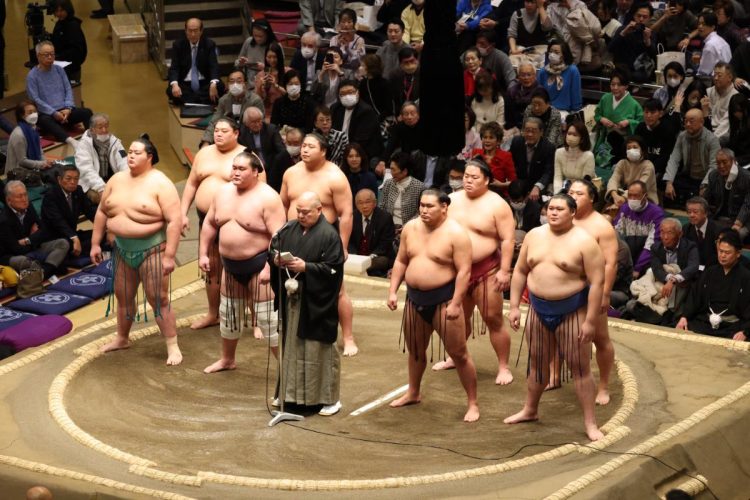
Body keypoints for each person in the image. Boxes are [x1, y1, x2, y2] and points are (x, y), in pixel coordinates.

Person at [505, 193, 605, 441]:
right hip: (538, 309)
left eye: (560, 209)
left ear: (572, 213)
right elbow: (519, 271)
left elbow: (597, 284)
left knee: (580, 367)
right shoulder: (534, 236)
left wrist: (591, 320)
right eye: (550, 208)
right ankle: (530, 409)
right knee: (537, 363)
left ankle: (590, 423)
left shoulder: (585, 242)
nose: (553, 212)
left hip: (571, 311)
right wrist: (515, 306)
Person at [387, 189, 480, 422]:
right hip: (414, 298)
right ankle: (413, 392)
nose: (424, 210)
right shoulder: (410, 228)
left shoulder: (456, 234)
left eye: (430, 206)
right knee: (416, 351)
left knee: (458, 354)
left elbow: (464, 272)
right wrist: (392, 291)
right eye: (422, 205)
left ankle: (472, 403)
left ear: (444, 207)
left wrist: (457, 303)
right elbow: (400, 260)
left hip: (445, 299)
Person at [90, 137, 182, 365]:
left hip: (152, 250)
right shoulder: (116, 179)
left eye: (137, 152)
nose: (130, 155)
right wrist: (95, 243)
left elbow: (174, 221)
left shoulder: (161, 183)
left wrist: (170, 255)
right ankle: (122, 338)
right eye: (129, 152)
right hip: (122, 248)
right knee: (123, 296)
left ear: (149, 157)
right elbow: (102, 212)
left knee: (157, 297)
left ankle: (173, 346)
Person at [200, 152, 286, 373]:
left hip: (259, 265)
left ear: (256, 172)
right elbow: (210, 223)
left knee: (268, 319)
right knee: (229, 315)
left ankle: (286, 366)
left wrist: (270, 266)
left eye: (241, 169)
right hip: (230, 266)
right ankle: (227, 359)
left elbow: (279, 236)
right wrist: (203, 253)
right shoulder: (222, 193)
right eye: (234, 168)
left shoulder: (268, 197)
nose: (235, 173)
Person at [431, 160, 516, 383]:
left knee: (492, 317)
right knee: (457, 317)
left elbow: (508, 240)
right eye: (466, 176)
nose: (468, 180)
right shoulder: (453, 200)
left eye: (474, 177)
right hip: (457, 270)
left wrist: (505, 271)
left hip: (486, 270)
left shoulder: (498, 205)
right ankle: (455, 356)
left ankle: (504, 367)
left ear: (487, 180)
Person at [280, 132, 358, 356]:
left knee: (338, 289)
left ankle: (349, 337)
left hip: (325, 237)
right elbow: (282, 203)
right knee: (293, 285)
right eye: (303, 145)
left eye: (310, 146)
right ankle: (294, 330)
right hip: (293, 235)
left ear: (323, 151)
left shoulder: (335, 176)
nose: (304, 149)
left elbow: (346, 213)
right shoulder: (291, 173)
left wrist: (342, 246)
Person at [271, 191, 344, 415]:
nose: (301, 215)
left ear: (319, 210)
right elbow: (273, 247)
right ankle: (290, 395)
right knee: (291, 347)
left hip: (315, 301)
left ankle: (330, 399)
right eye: (298, 211)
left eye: (306, 212)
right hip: (292, 298)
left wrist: (307, 268)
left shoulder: (329, 235)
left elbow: (334, 269)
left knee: (317, 349)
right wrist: (275, 259)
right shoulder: (288, 228)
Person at [181, 118, 247, 330]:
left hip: (234, 219)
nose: (218, 134)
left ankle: (248, 315)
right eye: (216, 130)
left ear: (236, 133)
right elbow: (192, 183)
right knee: (211, 267)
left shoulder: (246, 156)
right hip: (205, 217)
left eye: (224, 131)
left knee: (239, 266)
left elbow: (259, 189)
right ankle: (213, 313)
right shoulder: (204, 153)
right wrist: (183, 213)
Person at [567, 179, 618, 404]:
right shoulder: (562, 218)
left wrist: (605, 293)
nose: (574, 196)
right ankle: (553, 374)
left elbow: (610, 263)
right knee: (558, 334)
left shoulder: (601, 227)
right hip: (564, 286)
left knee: (600, 337)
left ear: (592, 199)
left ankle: (604, 386)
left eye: (579, 193)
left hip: (592, 288)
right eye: (571, 192)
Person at [676, 230, 749, 340]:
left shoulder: (746, 276)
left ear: (738, 253)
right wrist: (685, 316)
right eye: (720, 251)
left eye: (727, 253)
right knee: (683, 329)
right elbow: (695, 296)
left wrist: (745, 331)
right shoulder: (710, 271)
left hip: (731, 326)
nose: (722, 255)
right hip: (706, 322)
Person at [26, 41, 93, 147]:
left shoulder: (59, 69)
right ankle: (69, 140)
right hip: (48, 114)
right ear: (38, 56)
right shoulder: (32, 76)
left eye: (52, 54)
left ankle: (92, 137)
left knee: (87, 112)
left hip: (65, 111)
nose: (50, 57)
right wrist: (54, 113)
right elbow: (35, 99)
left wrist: (69, 108)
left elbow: (68, 89)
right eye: (46, 55)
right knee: (44, 120)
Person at [0, 181, 70, 277]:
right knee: (23, 261)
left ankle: (43, 272)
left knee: (63, 243)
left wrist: (28, 240)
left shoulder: (29, 207)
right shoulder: (3, 220)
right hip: (12, 255)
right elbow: (16, 249)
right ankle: (50, 268)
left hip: (33, 248)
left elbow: (44, 231)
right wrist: (34, 238)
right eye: (19, 196)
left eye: (25, 195)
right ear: (9, 200)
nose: (24, 199)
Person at [663, 108, 720, 204]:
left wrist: (705, 185)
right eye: (686, 121)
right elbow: (674, 159)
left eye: (691, 121)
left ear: (702, 122)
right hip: (688, 176)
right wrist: (669, 182)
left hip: (705, 179)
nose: (688, 124)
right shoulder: (682, 136)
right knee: (664, 184)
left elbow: (714, 166)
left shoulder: (712, 139)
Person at [41, 164, 98, 259]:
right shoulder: (50, 196)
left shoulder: (78, 190)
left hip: (73, 235)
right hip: (56, 238)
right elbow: (58, 221)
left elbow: (90, 211)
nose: (72, 182)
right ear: (59, 180)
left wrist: (103, 227)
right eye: (68, 178)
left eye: (76, 179)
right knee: (67, 246)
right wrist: (74, 237)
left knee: (100, 235)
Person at [593, 69, 643, 171]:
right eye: (612, 84)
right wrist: (602, 119)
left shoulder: (634, 104)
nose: (615, 88)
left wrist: (629, 122)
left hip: (625, 143)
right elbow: (597, 115)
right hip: (606, 139)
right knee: (598, 162)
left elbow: (642, 123)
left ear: (626, 86)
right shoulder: (605, 98)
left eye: (619, 85)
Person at [649, 218, 700, 318]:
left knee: (683, 284)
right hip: (662, 282)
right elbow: (657, 269)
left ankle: (673, 313)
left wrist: (674, 279)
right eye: (662, 232)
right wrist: (669, 278)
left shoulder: (690, 247)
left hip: (683, 283)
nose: (665, 237)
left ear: (680, 234)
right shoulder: (656, 248)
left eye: (670, 233)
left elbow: (693, 267)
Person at [614, 180, 666, 277]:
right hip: (626, 257)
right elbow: (615, 235)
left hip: (646, 260)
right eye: (630, 195)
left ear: (645, 196)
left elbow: (652, 243)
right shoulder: (624, 209)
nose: (632, 199)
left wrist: (637, 268)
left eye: (636, 196)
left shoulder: (656, 213)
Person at [166, 18, 224, 105]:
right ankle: (201, 100)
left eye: (196, 31)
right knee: (171, 90)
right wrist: (175, 84)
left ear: (201, 31)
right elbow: (174, 68)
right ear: (185, 31)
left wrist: (213, 83)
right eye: (190, 31)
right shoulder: (178, 45)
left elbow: (214, 66)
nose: (193, 34)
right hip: (185, 83)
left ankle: (189, 100)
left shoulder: (209, 44)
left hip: (204, 82)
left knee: (219, 86)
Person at [200, 70, 263, 147]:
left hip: (249, 140)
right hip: (228, 139)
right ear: (228, 85)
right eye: (232, 82)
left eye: (239, 81)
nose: (235, 84)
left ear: (245, 84)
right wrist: (206, 142)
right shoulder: (224, 100)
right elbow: (214, 122)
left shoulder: (255, 100)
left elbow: (260, 125)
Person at [75, 113, 128, 204]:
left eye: (106, 127)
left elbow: (123, 161)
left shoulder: (115, 141)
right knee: (106, 200)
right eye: (100, 127)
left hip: (111, 179)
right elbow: (86, 170)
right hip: (91, 184)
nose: (104, 130)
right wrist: (101, 188)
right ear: (92, 129)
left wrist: (127, 178)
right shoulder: (83, 145)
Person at [634, 99, 679, 195]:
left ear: (661, 114)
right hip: (641, 165)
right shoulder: (640, 128)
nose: (649, 116)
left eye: (653, 112)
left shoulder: (668, 130)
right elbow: (635, 149)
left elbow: (666, 157)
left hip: (659, 169)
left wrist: (649, 169)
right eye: (646, 112)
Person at [703, 148, 750, 240]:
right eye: (718, 163)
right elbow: (705, 199)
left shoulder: (747, 177)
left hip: (743, 220)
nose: (721, 166)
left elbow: (748, 204)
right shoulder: (713, 175)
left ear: (733, 161)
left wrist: (738, 223)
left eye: (724, 162)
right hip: (720, 218)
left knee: (733, 237)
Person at [330, 79, 383, 160]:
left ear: (358, 93)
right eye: (343, 94)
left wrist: (345, 153)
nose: (347, 96)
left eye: (350, 92)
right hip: (338, 150)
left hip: (361, 152)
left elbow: (361, 140)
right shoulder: (335, 108)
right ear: (339, 96)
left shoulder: (366, 111)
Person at [5, 100, 54, 186]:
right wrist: (41, 164)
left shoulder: (33, 129)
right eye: (30, 112)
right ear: (22, 115)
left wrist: (45, 162)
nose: (34, 114)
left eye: (35, 111)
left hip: (32, 168)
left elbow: (40, 151)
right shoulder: (19, 134)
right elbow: (22, 161)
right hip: (17, 174)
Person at [349, 188, 396, 276]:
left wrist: (369, 257)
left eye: (367, 202)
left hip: (377, 256)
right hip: (358, 257)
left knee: (380, 261)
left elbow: (385, 244)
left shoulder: (385, 218)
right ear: (356, 205)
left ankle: (361, 268)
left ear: (375, 203)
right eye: (360, 203)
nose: (364, 206)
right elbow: (350, 241)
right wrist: (355, 256)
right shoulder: (352, 217)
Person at [607, 3, 656, 83]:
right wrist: (623, 33)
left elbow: (654, 56)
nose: (641, 19)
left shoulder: (651, 33)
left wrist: (647, 41)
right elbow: (610, 49)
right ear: (633, 16)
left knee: (640, 76)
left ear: (650, 18)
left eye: (645, 17)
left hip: (640, 70)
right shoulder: (623, 29)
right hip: (622, 69)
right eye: (638, 16)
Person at [509, 116, 555, 200]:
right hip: (519, 181)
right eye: (527, 130)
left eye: (534, 131)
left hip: (538, 183)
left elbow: (548, 172)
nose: (530, 134)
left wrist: (537, 186)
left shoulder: (548, 147)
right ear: (522, 131)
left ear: (541, 132)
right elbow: (511, 164)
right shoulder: (516, 142)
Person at [606, 135, 658, 207]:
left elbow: (639, 188)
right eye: (628, 148)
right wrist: (614, 195)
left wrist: (623, 198)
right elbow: (614, 180)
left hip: (644, 201)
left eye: (635, 147)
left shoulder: (648, 165)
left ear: (642, 150)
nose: (631, 150)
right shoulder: (622, 163)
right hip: (624, 198)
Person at [379, 151, 425, 228]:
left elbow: (420, 212)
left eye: (394, 170)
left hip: (410, 227)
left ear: (405, 171)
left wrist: (406, 227)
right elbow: (382, 206)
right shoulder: (388, 183)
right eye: (390, 169)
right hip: (388, 226)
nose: (391, 173)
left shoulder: (419, 187)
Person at [536, 41, 582, 114]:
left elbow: (576, 95)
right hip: (545, 111)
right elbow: (538, 94)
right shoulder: (543, 71)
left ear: (564, 55)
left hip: (564, 112)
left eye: (556, 52)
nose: (552, 54)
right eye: (550, 51)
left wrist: (574, 114)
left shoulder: (572, 70)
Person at [473, 122, 516, 195]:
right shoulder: (476, 153)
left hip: (498, 194)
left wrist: (501, 184)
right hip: (478, 192)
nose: (487, 140)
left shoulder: (506, 156)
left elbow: (513, 182)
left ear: (498, 141)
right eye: (485, 137)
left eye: (491, 137)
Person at [50, 0, 87, 81]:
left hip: (71, 70)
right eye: (57, 11)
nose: (59, 14)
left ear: (68, 9)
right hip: (63, 68)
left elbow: (76, 51)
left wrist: (57, 57)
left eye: (62, 10)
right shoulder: (60, 23)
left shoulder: (73, 26)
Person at [553, 120, 594, 193]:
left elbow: (585, 183)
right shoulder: (558, 152)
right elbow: (557, 177)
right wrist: (557, 194)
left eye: (575, 135)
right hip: (565, 188)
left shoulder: (588, 156)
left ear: (582, 139)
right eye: (569, 133)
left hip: (583, 191)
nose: (570, 137)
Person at [507, 0, 552, 65]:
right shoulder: (517, 14)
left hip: (540, 48)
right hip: (521, 49)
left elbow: (548, 27)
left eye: (532, 2)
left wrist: (541, 7)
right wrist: (514, 50)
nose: (529, 5)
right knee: (513, 61)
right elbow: (511, 35)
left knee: (544, 63)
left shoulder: (543, 13)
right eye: (527, 1)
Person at [703, 62, 739, 142]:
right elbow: (706, 115)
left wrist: (711, 140)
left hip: (724, 134)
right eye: (714, 75)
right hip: (708, 128)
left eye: (719, 75)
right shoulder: (709, 91)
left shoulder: (735, 97)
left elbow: (726, 124)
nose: (715, 78)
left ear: (729, 77)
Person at [254, 43, 291, 121]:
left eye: (274, 57)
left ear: (279, 57)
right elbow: (257, 99)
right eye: (269, 57)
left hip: (285, 110)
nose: (272, 60)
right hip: (267, 113)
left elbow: (291, 95)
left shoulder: (288, 72)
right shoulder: (260, 75)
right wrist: (261, 86)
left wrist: (276, 85)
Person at [236, 19, 277, 86]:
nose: (258, 39)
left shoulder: (275, 46)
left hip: (269, 79)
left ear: (267, 34)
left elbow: (280, 68)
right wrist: (241, 62)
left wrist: (265, 68)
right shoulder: (249, 41)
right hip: (250, 79)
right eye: (255, 36)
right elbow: (237, 63)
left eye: (261, 36)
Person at [683, 196, 720, 268]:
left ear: (705, 213)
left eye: (695, 212)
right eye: (689, 212)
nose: (691, 215)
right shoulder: (686, 229)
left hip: (712, 270)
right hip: (693, 269)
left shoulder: (718, 231)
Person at [695, 12, 732, 77]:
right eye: (699, 23)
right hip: (726, 76)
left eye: (704, 24)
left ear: (712, 27)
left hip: (717, 80)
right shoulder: (720, 39)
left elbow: (704, 72)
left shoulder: (710, 45)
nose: (700, 26)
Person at [505, 63, 540, 130]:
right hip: (513, 127)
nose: (526, 78)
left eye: (529, 75)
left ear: (535, 76)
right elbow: (508, 116)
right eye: (523, 75)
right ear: (518, 76)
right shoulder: (511, 91)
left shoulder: (541, 92)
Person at [269, 127, 304, 193]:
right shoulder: (279, 158)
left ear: (302, 142)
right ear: (285, 142)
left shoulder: (307, 157)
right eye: (289, 143)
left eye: (296, 143)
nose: (292, 146)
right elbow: (273, 183)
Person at [728, 93, 750, 167]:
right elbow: (733, 144)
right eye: (734, 111)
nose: (736, 114)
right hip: (738, 155)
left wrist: (736, 159)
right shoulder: (735, 121)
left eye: (739, 110)